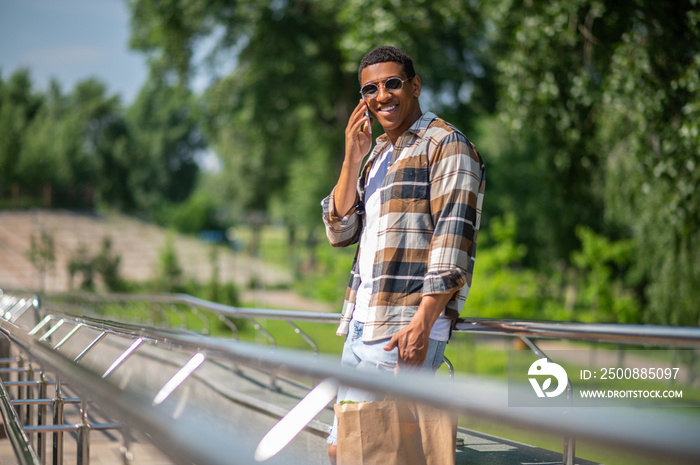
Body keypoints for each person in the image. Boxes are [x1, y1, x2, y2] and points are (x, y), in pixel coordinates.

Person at [321, 45, 485, 464]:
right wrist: (351, 157)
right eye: (370, 89)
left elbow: (453, 241)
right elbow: (340, 231)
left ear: (414, 86)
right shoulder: (375, 154)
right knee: (343, 448)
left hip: (401, 329)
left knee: (374, 453)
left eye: (392, 83)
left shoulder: (446, 145)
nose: (382, 96)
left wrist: (424, 323)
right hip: (358, 324)